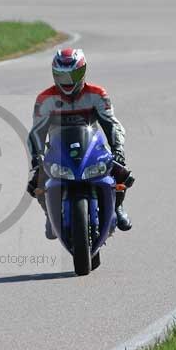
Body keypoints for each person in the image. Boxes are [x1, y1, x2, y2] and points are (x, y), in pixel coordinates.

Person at [26, 48, 133, 239]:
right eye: (61, 75)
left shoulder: (98, 93)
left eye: (73, 74)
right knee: (36, 181)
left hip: (91, 145)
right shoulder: (45, 99)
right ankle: (50, 215)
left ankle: (117, 207)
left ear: (83, 71)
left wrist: (118, 149)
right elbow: (36, 132)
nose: (67, 81)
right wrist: (37, 158)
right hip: (58, 149)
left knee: (121, 171)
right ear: (54, 74)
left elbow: (112, 124)